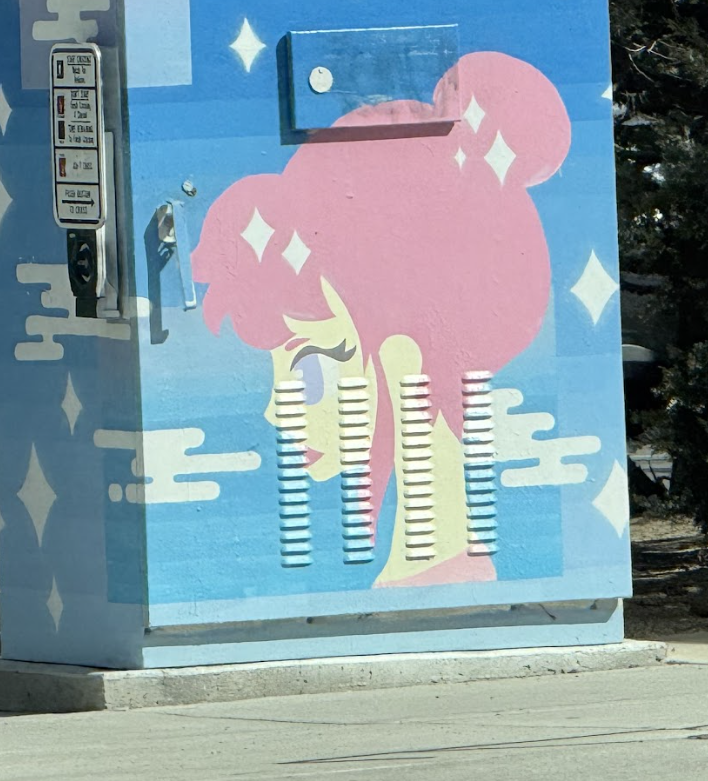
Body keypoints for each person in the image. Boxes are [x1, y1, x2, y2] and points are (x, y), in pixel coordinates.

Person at [192, 51, 569, 585]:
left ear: (401, 357)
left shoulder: (437, 577)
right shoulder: (434, 573)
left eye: (309, 370)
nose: (279, 410)